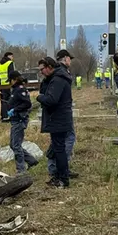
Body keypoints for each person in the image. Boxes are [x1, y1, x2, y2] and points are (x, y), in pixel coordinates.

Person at [37, 56, 73, 188]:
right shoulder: (55, 78)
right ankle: (58, 176)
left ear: (49, 67)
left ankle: (63, 178)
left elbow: (51, 100)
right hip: (58, 119)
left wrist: (39, 97)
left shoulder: (57, 80)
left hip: (58, 119)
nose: (41, 72)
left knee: (59, 150)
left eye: (42, 69)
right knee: (57, 149)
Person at [46, 49, 78, 181]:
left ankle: (59, 168)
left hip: (61, 113)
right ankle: (60, 168)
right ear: (65, 58)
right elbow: (53, 97)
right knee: (66, 140)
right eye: (69, 58)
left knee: (59, 141)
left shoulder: (59, 72)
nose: (70, 60)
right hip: (61, 114)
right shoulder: (61, 73)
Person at [6, 70, 39, 174]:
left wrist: (15, 110)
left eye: (10, 80)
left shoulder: (20, 90)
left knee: (16, 146)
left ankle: (21, 170)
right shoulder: (15, 89)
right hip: (15, 120)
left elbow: (27, 104)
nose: (9, 83)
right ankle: (31, 161)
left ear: (14, 79)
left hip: (19, 120)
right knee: (13, 144)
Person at [0, 51, 15, 122]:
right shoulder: (10, 63)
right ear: (9, 56)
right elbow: (12, 74)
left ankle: (4, 116)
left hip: (2, 85)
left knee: (3, 101)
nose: (12, 58)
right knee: (10, 100)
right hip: (9, 85)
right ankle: (9, 116)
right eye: (12, 56)